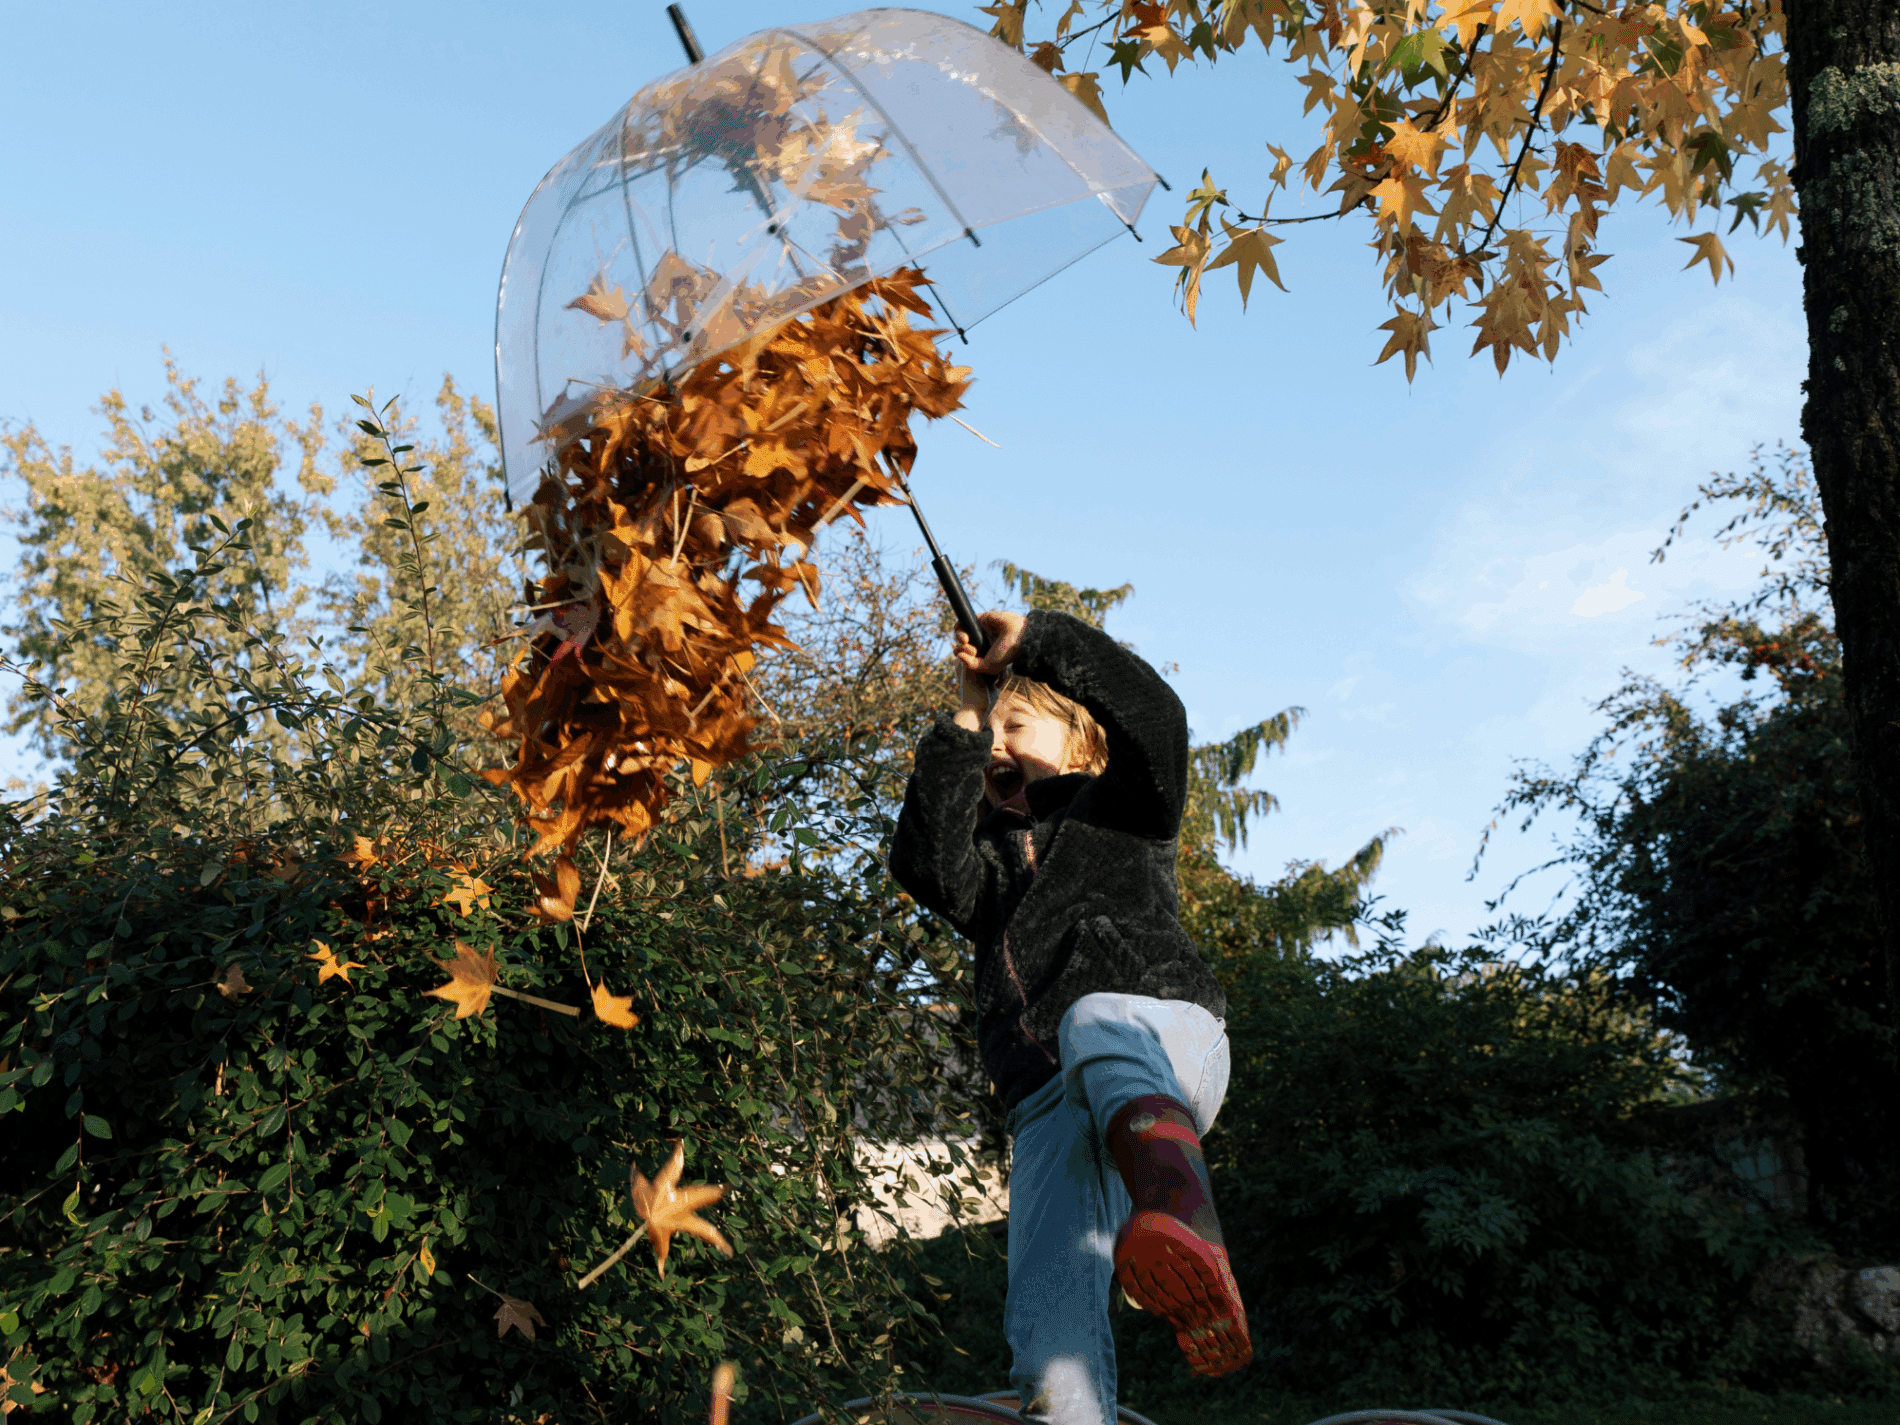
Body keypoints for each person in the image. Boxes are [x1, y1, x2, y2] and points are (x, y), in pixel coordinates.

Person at [889, 607, 1250, 1425]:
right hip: (1051, 1109)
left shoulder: (1124, 808)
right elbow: (924, 862)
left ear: (1084, 744)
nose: (997, 744)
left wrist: (1035, 642)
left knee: (1092, 1020)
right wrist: (967, 709)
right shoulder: (989, 873)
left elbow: (1156, 718)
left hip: (1166, 1041)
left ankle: (1179, 1203)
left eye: (1017, 725)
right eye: (991, 734)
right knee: (1047, 1327)